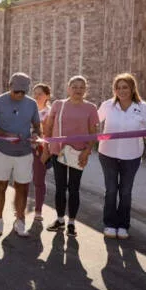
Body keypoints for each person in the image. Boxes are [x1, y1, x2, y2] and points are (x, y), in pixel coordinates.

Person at [98, 73, 146, 240]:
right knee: (111, 190)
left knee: (126, 191)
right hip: (108, 154)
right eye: (118, 87)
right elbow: (92, 121)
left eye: (125, 87)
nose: (122, 91)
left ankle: (123, 225)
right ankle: (109, 224)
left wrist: (144, 125)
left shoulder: (142, 107)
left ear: (132, 89)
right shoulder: (107, 105)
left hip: (131, 155)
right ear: (114, 90)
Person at [42, 76, 99, 238]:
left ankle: (72, 223)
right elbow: (49, 127)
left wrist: (87, 151)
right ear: (68, 88)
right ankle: (60, 220)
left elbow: (93, 132)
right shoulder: (58, 104)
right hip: (58, 152)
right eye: (74, 86)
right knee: (60, 187)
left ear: (85, 90)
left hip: (78, 154)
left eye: (81, 87)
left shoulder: (90, 108)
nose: (78, 90)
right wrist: (46, 147)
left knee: (74, 188)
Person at [0, 72, 42, 238]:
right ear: (9, 86)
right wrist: (6, 135)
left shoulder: (31, 104)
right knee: (1, 186)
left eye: (23, 91)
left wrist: (36, 135)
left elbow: (37, 126)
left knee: (22, 188)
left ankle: (20, 220)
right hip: (2, 151)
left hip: (24, 152)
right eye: (16, 91)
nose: (19, 94)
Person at [30, 83, 52, 221]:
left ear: (47, 96)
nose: (37, 96)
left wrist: (46, 151)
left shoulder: (50, 112)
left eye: (40, 94)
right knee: (21, 179)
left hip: (41, 150)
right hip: (24, 149)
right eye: (35, 93)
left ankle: (38, 211)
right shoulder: (28, 109)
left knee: (39, 181)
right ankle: (19, 208)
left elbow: (51, 134)